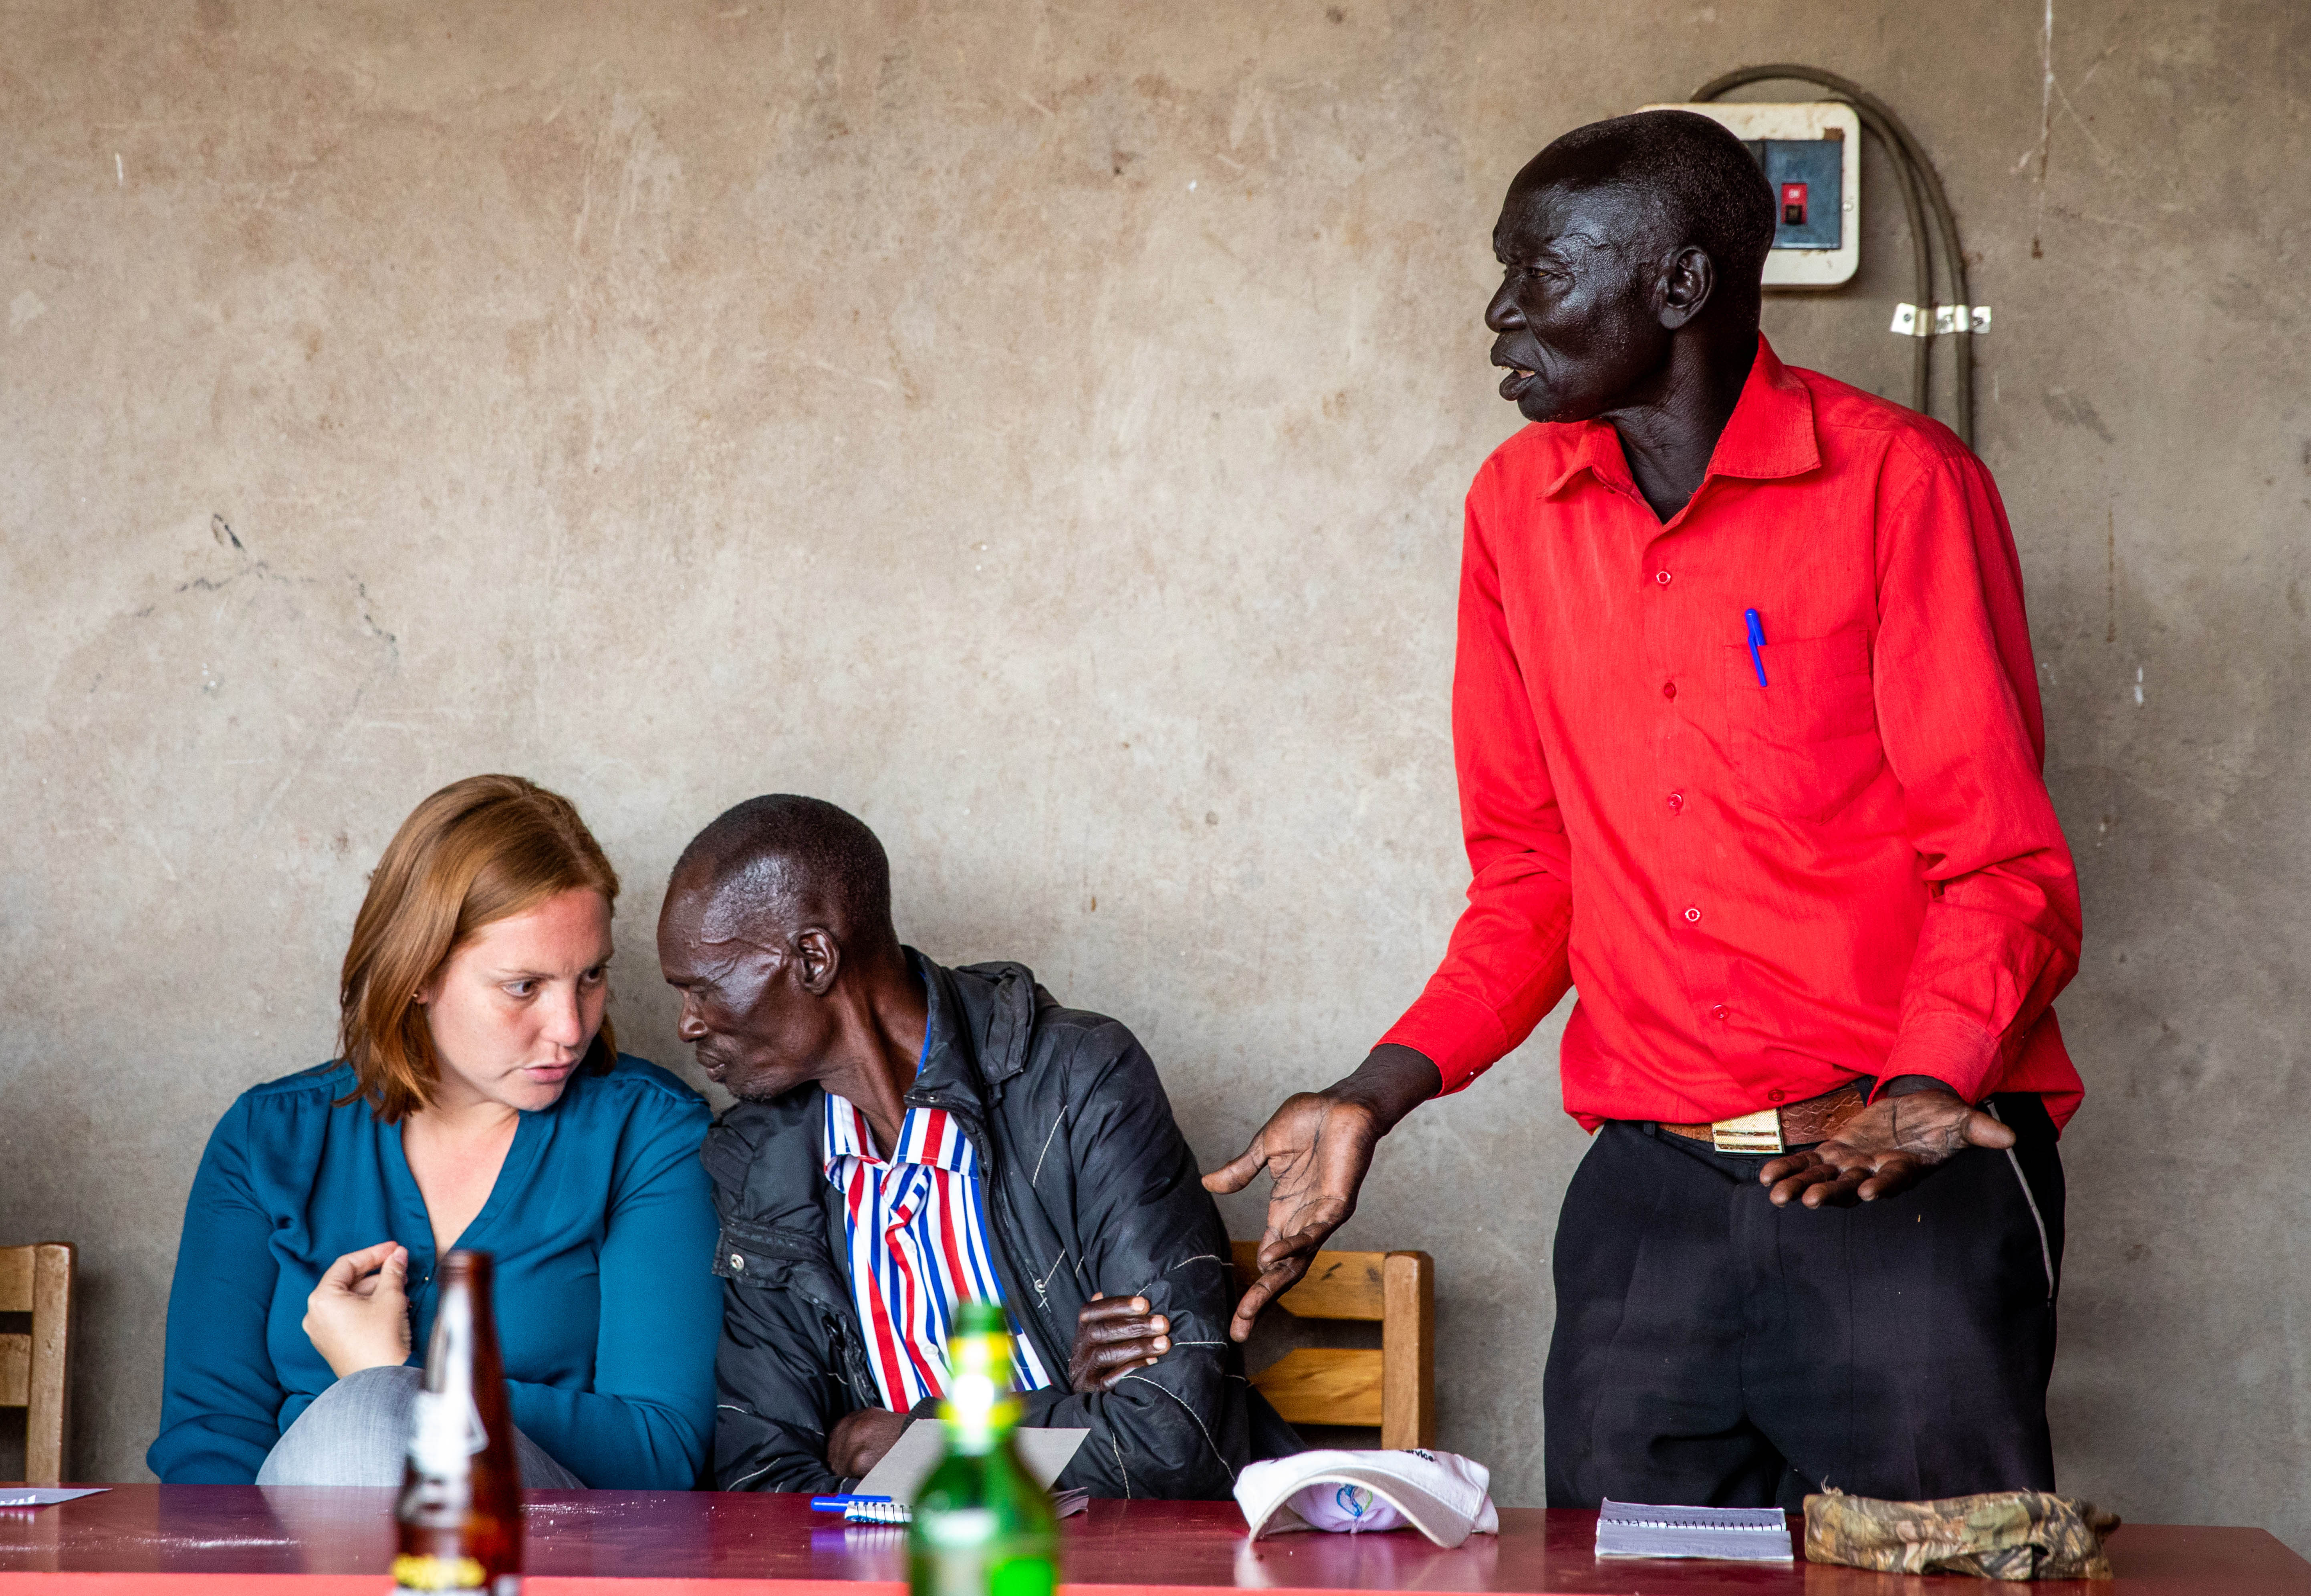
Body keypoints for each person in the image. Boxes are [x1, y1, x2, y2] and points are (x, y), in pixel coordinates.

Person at [1209, 110, 2081, 1510]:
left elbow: (1999, 864)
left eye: (1537, 273)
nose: (1498, 312)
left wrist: (1925, 1080)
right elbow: (1529, 876)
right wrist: (1374, 1091)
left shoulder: (1897, 487)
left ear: (1676, 287)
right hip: (1649, 1210)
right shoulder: (1513, 509)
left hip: (1895, 1178)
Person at [658, 794, 1296, 1497]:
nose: (688, 1025)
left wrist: (914, 1443)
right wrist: (1061, 1406)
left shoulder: (1078, 1083)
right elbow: (763, 1479)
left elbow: (1170, 1439)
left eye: (703, 990)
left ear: (813, 959)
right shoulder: (760, 1159)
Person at [149, 775, 722, 1489]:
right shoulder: (267, 1141)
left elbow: (659, 1452)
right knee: (352, 1439)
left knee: (367, 1420)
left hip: (556, 1555)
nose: (572, 1028)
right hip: (298, 1560)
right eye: (524, 987)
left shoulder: (650, 1134)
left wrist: (396, 1381)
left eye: (591, 976)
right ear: (418, 972)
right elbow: (207, 1452)